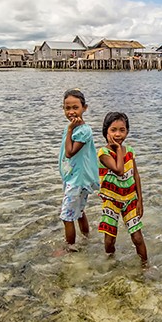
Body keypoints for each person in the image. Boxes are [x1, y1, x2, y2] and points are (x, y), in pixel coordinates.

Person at [97, 112, 148, 265]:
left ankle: (145, 265)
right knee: (109, 240)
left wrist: (140, 200)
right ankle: (111, 263)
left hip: (130, 199)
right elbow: (119, 169)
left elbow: (135, 176)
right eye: (113, 130)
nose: (118, 134)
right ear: (106, 131)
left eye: (122, 130)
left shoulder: (130, 151)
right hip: (111, 201)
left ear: (127, 131)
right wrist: (118, 149)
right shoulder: (103, 153)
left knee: (137, 237)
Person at [58, 89, 99, 251]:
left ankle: (70, 248)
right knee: (80, 212)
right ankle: (86, 238)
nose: (71, 112)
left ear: (84, 108)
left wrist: (69, 131)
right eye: (67, 108)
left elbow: (70, 152)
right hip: (74, 178)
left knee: (67, 217)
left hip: (77, 180)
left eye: (75, 107)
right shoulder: (74, 128)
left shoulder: (82, 130)